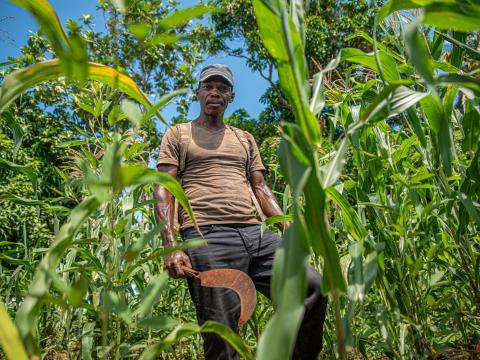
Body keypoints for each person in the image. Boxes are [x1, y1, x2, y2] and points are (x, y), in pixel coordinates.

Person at [153, 64, 328, 360]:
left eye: (222, 88)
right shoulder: (178, 134)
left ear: (231, 96)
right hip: (207, 236)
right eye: (208, 87)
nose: (214, 93)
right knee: (222, 333)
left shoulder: (245, 138)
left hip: (257, 235)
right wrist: (172, 246)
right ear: (198, 93)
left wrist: (287, 227)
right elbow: (163, 189)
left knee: (313, 288)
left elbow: (260, 188)